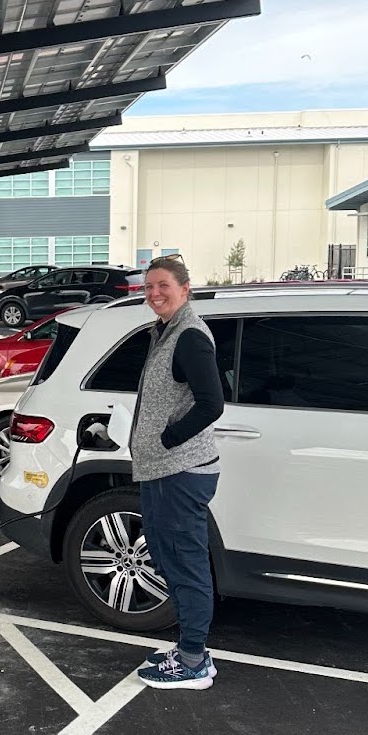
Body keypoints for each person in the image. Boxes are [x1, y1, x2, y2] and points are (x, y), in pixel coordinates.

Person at [129, 257, 225, 691]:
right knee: (169, 556)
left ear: (185, 289)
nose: (154, 293)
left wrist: (167, 440)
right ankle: (190, 649)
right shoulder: (164, 331)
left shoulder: (188, 335)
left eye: (163, 285)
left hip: (180, 471)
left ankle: (193, 661)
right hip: (161, 469)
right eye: (149, 286)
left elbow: (211, 404)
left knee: (184, 562)